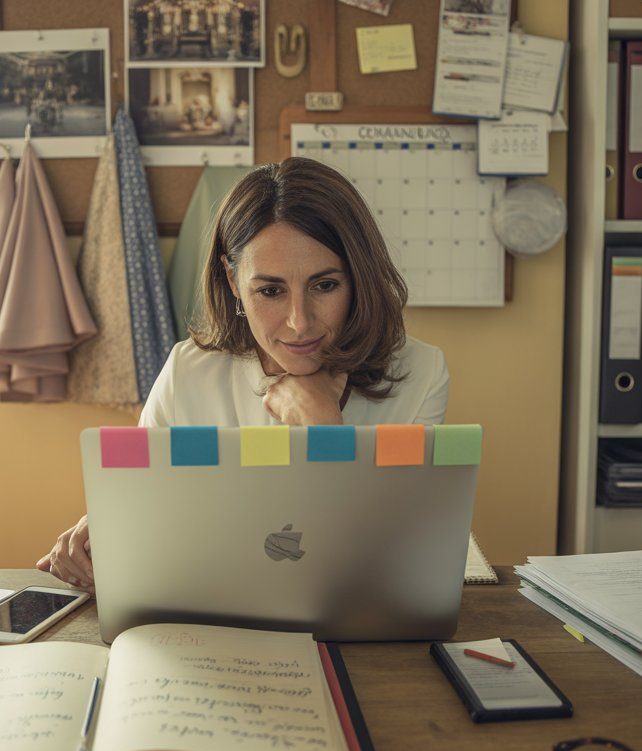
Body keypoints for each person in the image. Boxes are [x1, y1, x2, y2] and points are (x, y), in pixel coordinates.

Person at [38, 156, 450, 588]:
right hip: (210, 619)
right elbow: (144, 507)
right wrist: (103, 527)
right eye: (270, 291)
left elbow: (392, 552)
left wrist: (325, 429)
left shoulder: (420, 375)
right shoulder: (187, 374)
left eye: (325, 285)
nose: (299, 322)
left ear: (358, 278)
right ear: (233, 281)